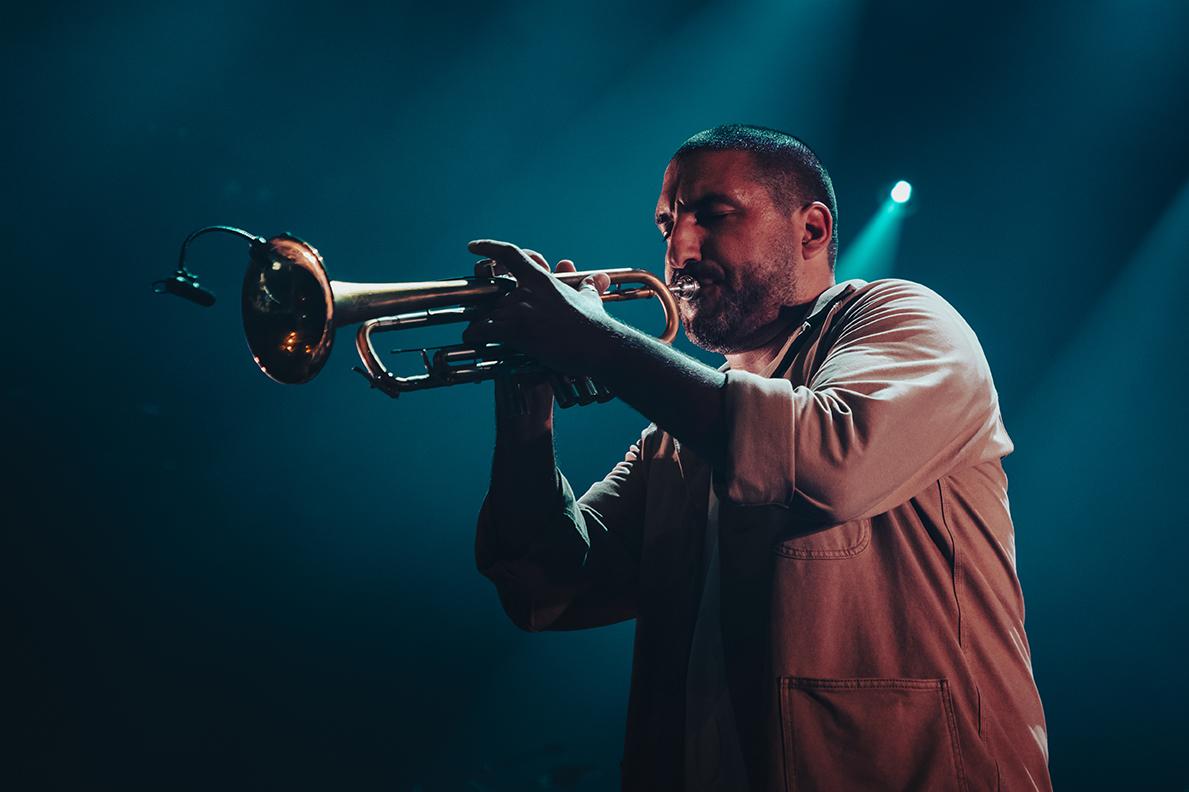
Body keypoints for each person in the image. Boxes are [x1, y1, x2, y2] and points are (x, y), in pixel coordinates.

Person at [465, 124, 1052, 791]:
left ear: (810, 230)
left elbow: (827, 462)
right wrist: (524, 408)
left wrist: (594, 342)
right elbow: (544, 587)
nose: (679, 248)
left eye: (712, 216)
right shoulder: (674, 441)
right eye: (666, 227)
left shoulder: (905, 318)